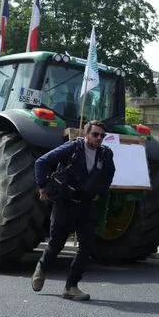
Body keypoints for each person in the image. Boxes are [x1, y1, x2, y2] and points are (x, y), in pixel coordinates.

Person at [32, 120, 116, 301]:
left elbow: (109, 175)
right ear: (86, 134)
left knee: (86, 246)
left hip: (86, 204)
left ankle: (71, 286)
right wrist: (42, 187)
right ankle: (42, 268)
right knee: (56, 243)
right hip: (65, 202)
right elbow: (41, 162)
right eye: (95, 134)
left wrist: (100, 192)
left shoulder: (106, 154)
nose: (99, 138)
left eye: (102, 135)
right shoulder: (71, 149)